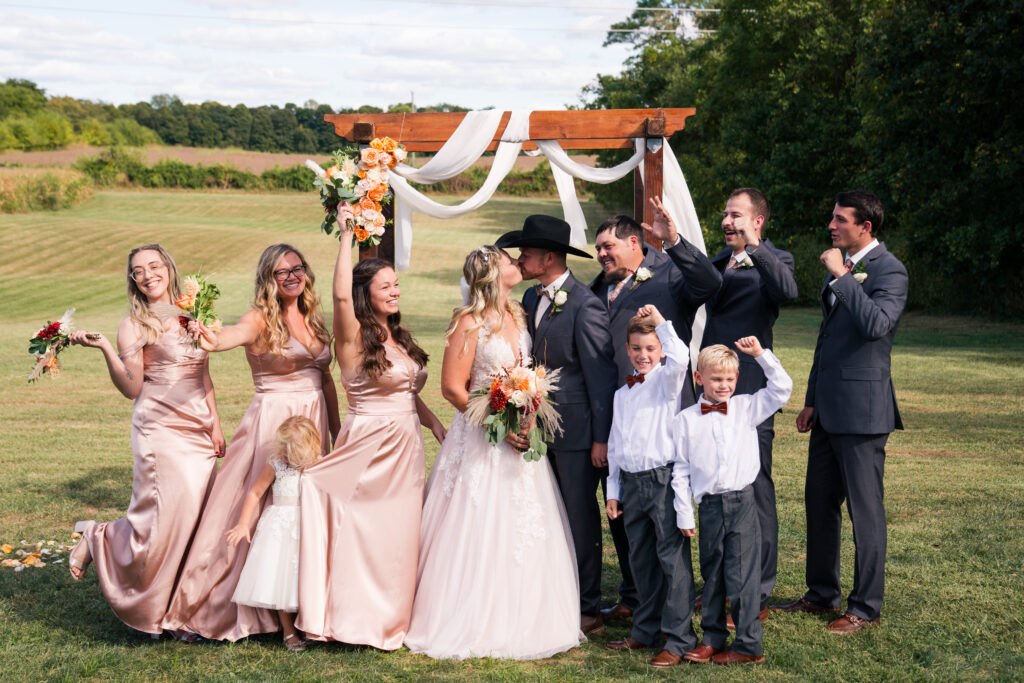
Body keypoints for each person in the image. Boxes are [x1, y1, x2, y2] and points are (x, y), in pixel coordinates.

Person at [404, 245, 583, 660]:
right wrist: (496, 427)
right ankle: (467, 617)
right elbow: (452, 387)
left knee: (523, 523)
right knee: (476, 522)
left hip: (519, 435)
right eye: (509, 259)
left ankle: (527, 616)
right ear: (491, 272)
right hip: (480, 442)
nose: (517, 262)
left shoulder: (519, 315)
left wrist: (527, 409)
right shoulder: (468, 323)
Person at [163, 243, 339, 642]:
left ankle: (301, 603)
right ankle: (219, 605)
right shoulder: (259, 318)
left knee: (300, 511)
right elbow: (231, 336)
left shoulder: (313, 316)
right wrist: (210, 337)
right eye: (282, 272)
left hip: (313, 421)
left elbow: (325, 378)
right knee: (254, 506)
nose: (292, 276)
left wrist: (336, 427)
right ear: (268, 279)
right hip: (274, 421)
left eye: (298, 268)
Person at [296, 226, 446, 650]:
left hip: (406, 445)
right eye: (386, 286)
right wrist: (346, 235)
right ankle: (356, 620)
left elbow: (404, 391)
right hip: (369, 444)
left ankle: (393, 618)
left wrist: (432, 421)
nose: (396, 292)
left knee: (400, 534)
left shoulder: (397, 336)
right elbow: (341, 296)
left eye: (397, 284)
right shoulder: (352, 336)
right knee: (365, 531)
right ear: (366, 293)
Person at [66, 244, 224, 638]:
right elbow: (132, 387)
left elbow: (203, 372)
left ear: (169, 268)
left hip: (199, 425)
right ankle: (99, 536)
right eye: (138, 270)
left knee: (194, 521)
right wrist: (106, 348)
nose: (148, 274)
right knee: (165, 517)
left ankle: (181, 611)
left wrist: (216, 424)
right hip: (160, 427)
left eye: (154, 265)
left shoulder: (194, 311)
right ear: (133, 280)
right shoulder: (133, 324)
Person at [774, 190, 908, 634]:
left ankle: (864, 607)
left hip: (865, 412)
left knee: (865, 511)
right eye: (832, 217)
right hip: (827, 410)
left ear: (865, 226)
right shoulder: (845, 269)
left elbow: (875, 326)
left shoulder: (890, 270)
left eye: (840, 219)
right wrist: (811, 398)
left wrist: (842, 277)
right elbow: (827, 339)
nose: (831, 226)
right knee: (819, 503)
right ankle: (821, 593)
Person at [590, 198, 722, 622]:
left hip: (662, 410)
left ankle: (675, 609)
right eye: (598, 248)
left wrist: (675, 241)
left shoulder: (669, 275)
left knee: (669, 520)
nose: (601, 254)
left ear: (634, 242)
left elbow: (710, 284)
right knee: (625, 513)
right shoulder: (599, 286)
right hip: (619, 407)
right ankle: (634, 596)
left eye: (608, 246)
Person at [504, 215, 617, 636]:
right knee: (545, 512)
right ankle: (551, 593)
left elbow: (600, 378)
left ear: (548, 258)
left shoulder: (586, 305)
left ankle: (587, 605)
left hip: (575, 432)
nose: (521, 259)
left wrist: (601, 438)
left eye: (527, 254)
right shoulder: (532, 299)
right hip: (536, 428)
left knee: (578, 516)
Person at [702, 188, 798, 612]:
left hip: (749, 391)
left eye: (735, 215)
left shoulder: (775, 260)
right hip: (709, 388)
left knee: (755, 488)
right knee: (715, 484)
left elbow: (787, 290)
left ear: (757, 221)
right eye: (724, 214)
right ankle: (721, 584)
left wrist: (755, 249)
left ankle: (757, 589)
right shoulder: (717, 262)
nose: (726, 221)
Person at [675, 338, 792, 666]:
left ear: (737, 380)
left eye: (729, 380)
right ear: (699, 379)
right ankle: (712, 639)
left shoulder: (746, 407)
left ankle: (748, 644)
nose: (723, 385)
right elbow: (681, 470)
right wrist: (685, 513)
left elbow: (782, 389)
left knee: (742, 576)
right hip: (709, 506)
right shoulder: (685, 420)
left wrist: (761, 356)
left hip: (743, 503)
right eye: (716, 379)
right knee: (712, 575)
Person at [604, 305, 698, 668]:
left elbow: (681, 356)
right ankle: (645, 630)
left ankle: (678, 639)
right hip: (631, 484)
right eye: (637, 349)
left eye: (650, 349)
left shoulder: (666, 381)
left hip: (662, 481)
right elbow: (615, 444)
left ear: (660, 351)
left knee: (672, 563)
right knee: (640, 560)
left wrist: (662, 323)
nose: (643, 356)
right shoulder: (621, 393)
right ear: (627, 350)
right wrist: (614, 490)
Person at [227, 416, 323, 653]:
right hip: (279, 530)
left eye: (294, 451)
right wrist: (242, 524)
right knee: (279, 580)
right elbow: (254, 493)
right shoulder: (276, 465)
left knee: (302, 578)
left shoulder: (319, 465)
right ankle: (288, 628)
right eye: (285, 449)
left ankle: (307, 623)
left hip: (307, 529)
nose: (288, 455)